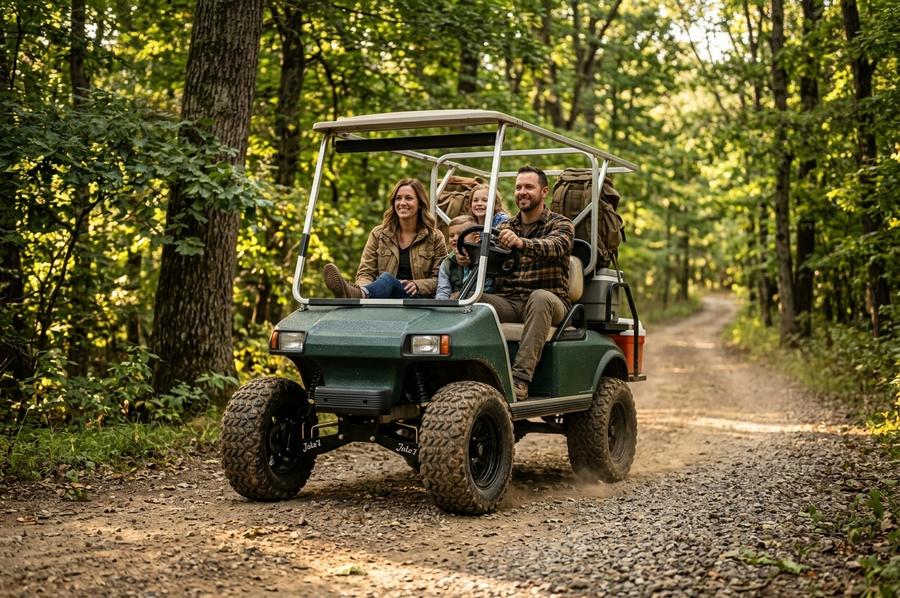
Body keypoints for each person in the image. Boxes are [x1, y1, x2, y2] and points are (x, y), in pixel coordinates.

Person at [481, 166, 575, 400]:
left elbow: (555, 247)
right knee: (465, 300)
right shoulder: (504, 227)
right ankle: (467, 372)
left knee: (539, 297)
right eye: (519, 187)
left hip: (551, 303)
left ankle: (520, 379)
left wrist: (522, 243)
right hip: (511, 302)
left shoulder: (561, 224)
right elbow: (489, 262)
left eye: (529, 187)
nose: (522, 192)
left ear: (544, 192)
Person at [323, 178, 447, 299]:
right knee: (386, 280)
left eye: (409, 198)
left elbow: (441, 279)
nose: (402, 203)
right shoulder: (379, 234)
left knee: (387, 279)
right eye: (398, 198)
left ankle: (357, 294)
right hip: (383, 299)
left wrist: (417, 285)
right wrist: (367, 289)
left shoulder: (434, 237)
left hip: (417, 300)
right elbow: (366, 273)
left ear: (420, 204)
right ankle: (361, 293)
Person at [435, 214, 478, 300]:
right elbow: (443, 290)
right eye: (451, 235)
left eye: (461, 234)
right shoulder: (447, 263)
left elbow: (488, 288)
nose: (455, 238)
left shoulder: (483, 259)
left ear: (476, 238)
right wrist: (442, 305)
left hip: (478, 304)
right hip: (453, 306)